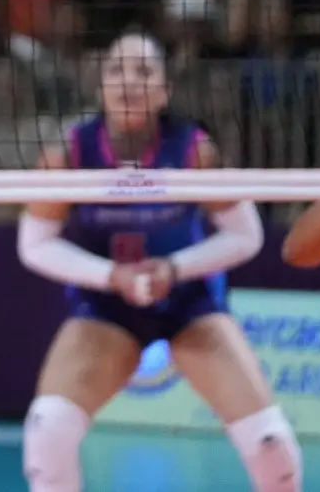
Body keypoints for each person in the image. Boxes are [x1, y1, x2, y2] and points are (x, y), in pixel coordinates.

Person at [16, 32, 299, 492]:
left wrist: (174, 269)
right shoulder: (70, 153)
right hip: (105, 309)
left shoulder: (193, 150)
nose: (129, 81)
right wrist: (112, 276)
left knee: (270, 442)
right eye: (116, 70)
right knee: (48, 429)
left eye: (144, 71)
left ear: (164, 91)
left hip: (190, 305)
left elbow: (246, 235)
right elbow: (34, 243)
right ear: (101, 87)